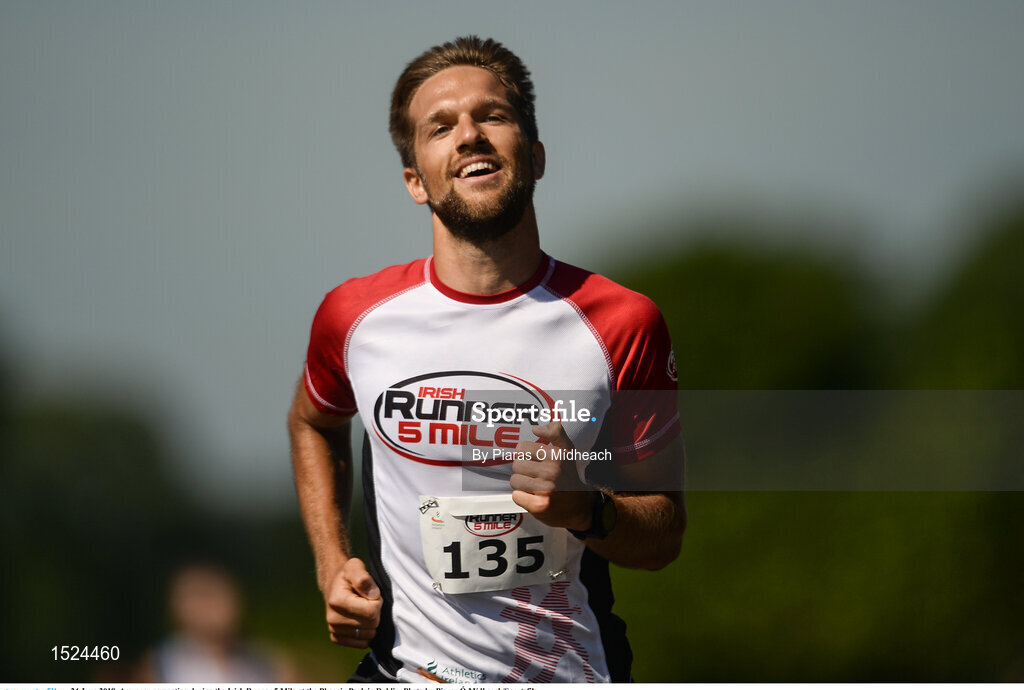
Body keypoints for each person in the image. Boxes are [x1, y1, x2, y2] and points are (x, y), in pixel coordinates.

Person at [289, 36, 686, 683]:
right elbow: (313, 420)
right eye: (440, 127)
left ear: (534, 155)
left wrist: (586, 509)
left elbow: (664, 535)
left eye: (492, 116)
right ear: (415, 180)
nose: (468, 134)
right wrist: (332, 562)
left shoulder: (623, 323)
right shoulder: (353, 318)